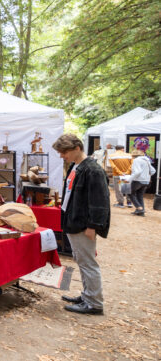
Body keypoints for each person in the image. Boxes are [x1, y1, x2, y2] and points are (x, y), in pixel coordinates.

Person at [53, 134, 109, 315]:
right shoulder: (76, 166)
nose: (62, 155)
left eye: (64, 152)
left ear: (77, 148)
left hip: (83, 224)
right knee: (82, 261)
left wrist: (93, 225)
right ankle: (87, 296)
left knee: (87, 263)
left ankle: (94, 303)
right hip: (74, 221)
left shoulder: (93, 170)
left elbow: (99, 201)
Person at [122, 149, 155, 216]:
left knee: (130, 193)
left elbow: (137, 172)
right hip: (146, 181)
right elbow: (153, 171)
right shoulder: (146, 160)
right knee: (139, 195)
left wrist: (129, 179)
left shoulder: (136, 160)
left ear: (134, 155)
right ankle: (141, 212)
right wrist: (146, 176)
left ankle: (139, 208)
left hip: (138, 181)